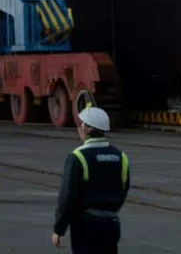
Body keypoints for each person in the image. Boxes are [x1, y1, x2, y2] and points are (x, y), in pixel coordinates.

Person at [53, 106, 129, 252]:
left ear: (87, 129)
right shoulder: (121, 157)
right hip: (111, 224)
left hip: (85, 226)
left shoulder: (78, 157)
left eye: (79, 124)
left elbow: (67, 197)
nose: (78, 128)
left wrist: (59, 229)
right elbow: (124, 188)